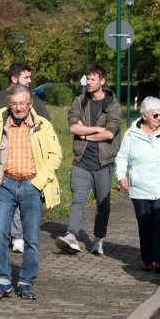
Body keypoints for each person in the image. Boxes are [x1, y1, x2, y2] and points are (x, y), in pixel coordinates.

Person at [0, 85, 62, 300]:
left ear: (30, 104)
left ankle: (26, 281)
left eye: (22, 103)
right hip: (6, 185)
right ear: (9, 103)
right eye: (14, 103)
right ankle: (2, 280)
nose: (18, 108)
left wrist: (38, 183)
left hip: (31, 185)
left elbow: (56, 155)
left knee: (31, 237)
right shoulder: (0, 122)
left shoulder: (43, 125)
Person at [0, 62, 51, 253]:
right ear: (14, 78)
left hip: (26, 159)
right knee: (5, 194)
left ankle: (19, 235)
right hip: (3, 159)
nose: (30, 81)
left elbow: (45, 124)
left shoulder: (32, 99)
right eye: (26, 77)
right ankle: (12, 235)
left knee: (23, 193)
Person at [55, 65, 122, 256]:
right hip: (81, 161)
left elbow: (109, 134)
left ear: (102, 81)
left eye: (93, 79)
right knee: (78, 200)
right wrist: (97, 129)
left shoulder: (113, 105)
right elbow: (73, 128)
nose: (89, 82)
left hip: (103, 163)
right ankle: (72, 235)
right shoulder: (80, 101)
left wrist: (85, 134)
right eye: (88, 79)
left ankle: (99, 239)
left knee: (103, 205)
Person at [115, 96, 160, 274]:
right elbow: (122, 156)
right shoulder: (131, 134)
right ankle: (147, 260)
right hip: (140, 188)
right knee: (145, 224)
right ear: (145, 116)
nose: (159, 118)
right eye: (155, 115)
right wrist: (121, 175)